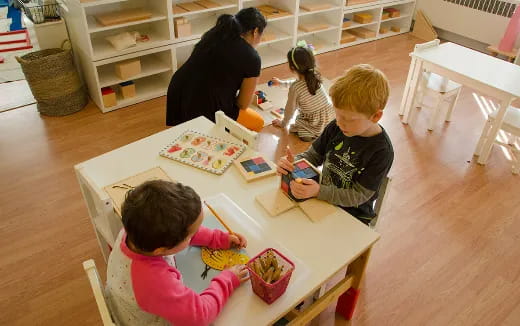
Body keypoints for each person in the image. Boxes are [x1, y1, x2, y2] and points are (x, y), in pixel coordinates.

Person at [106, 180, 249, 326]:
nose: (193, 234)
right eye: (190, 235)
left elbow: (183, 232)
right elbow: (201, 316)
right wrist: (228, 280)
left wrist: (217, 238)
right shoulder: (154, 281)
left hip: (124, 302)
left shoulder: (137, 231)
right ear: (161, 250)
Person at [276, 64, 394, 225]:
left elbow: (358, 195)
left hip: (353, 215)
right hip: (323, 197)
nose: (340, 123)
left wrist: (319, 191)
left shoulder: (381, 151)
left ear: (376, 116)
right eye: (337, 115)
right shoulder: (336, 126)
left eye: (349, 119)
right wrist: (293, 163)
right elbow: (312, 156)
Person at [166, 8, 266, 131]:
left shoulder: (214, 34)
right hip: (208, 107)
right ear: (255, 31)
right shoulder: (252, 56)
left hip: (179, 93)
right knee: (258, 123)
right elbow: (242, 104)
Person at [270, 41, 335, 142]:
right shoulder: (314, 75)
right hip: (330, 115)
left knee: (297, 127)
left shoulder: (295, 88)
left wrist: (283, 123)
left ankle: (314, 133)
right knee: (305, 121)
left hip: (314, 122)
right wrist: (281, 83)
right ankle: (324, 131)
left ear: (292, 68)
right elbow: (297, 84)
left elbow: (290, 109)